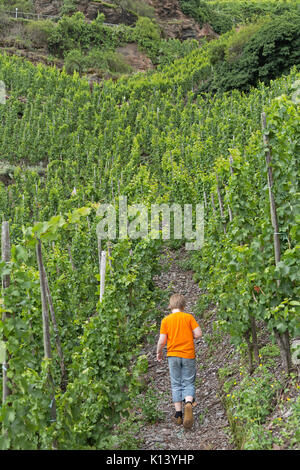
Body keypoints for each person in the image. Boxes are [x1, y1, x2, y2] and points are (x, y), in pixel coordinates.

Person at [156, 293, 202, 429]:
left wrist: (159, 352)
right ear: (183, 305)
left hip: (173, 355)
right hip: (188, 354)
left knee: (176, 383)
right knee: (188, 380)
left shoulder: (166, 320)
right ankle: (188, 402)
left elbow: (162, 341)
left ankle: (178, 414)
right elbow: (199, 334)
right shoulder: (188, 317)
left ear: (170, 305)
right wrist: (190, 335)